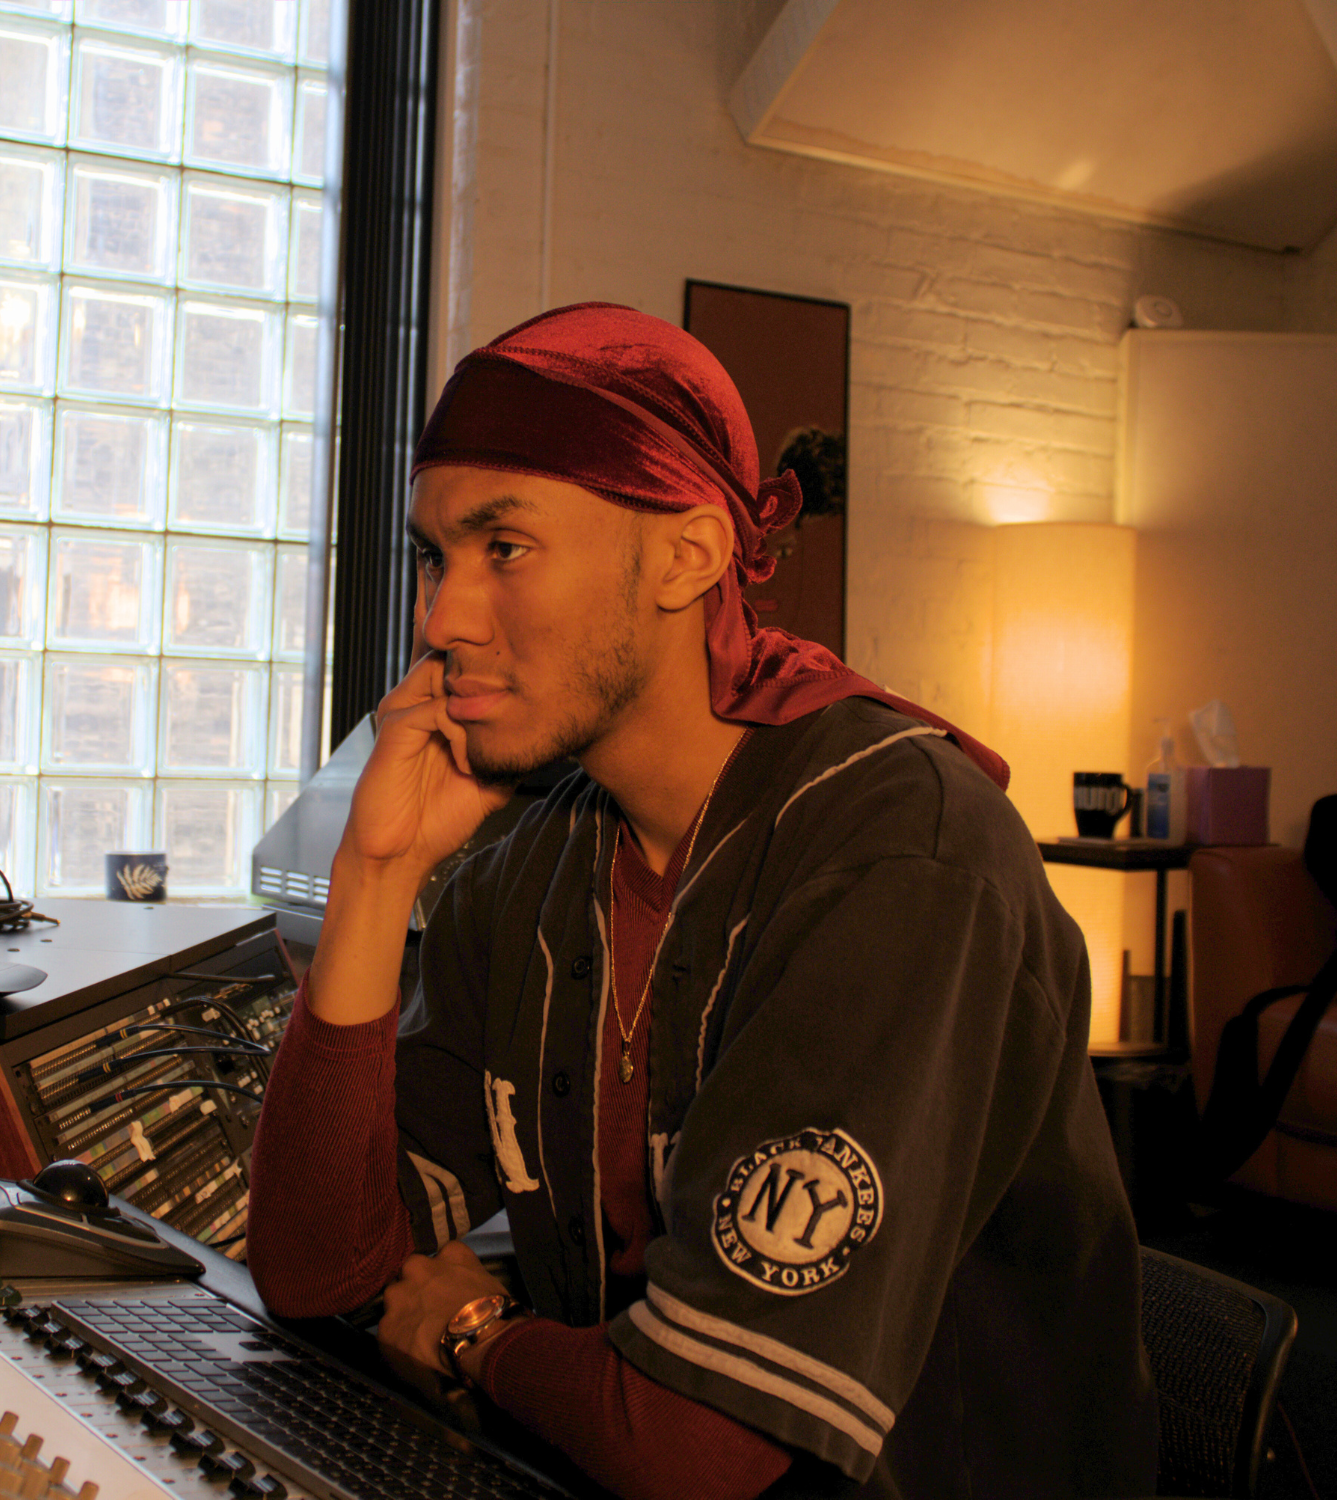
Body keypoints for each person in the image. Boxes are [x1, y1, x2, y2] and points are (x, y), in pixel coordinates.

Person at [246, 303, 1159, 1500]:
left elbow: (696, 1443)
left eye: (504, 548)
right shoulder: (535, 853)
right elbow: (318, 1269)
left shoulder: (896, 857)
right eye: (435, 556)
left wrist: (478, 1338)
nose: (442, 619)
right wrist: (374, 879)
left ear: (688, 555)